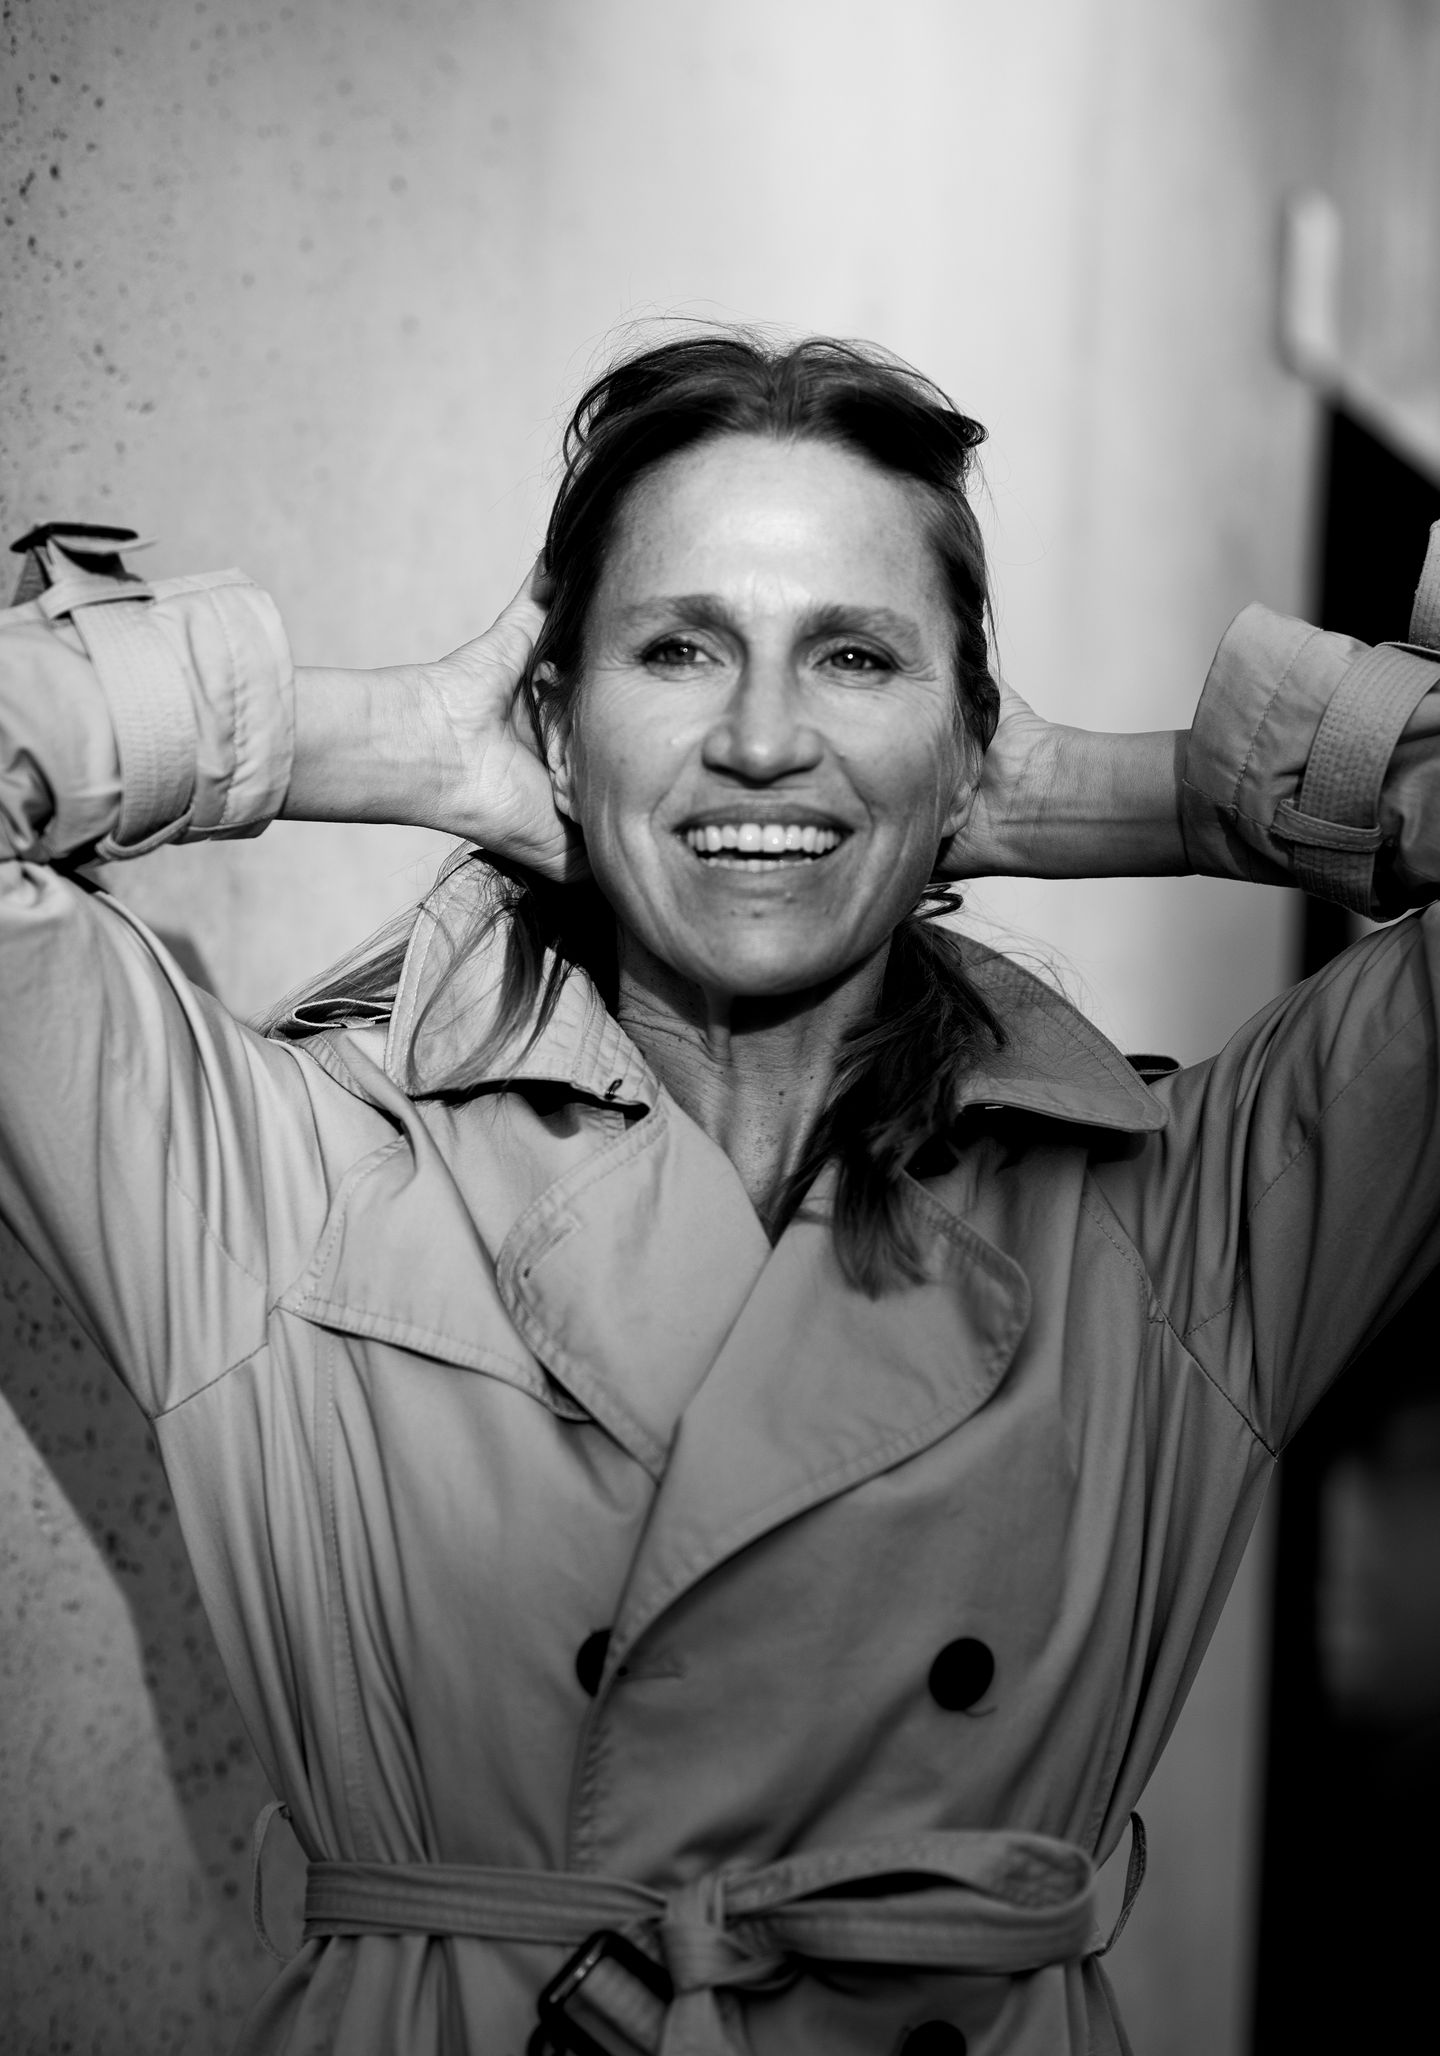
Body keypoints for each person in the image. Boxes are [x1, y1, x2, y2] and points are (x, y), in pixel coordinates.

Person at [2, 333, 1437, 2056]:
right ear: (556, 719)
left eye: (855, 657)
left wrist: (1163, 795)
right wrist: (382, 744)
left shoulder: (1179, 1226)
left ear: (970, 741)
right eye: (678, 650)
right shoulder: (294, 1189)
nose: (762, 739)